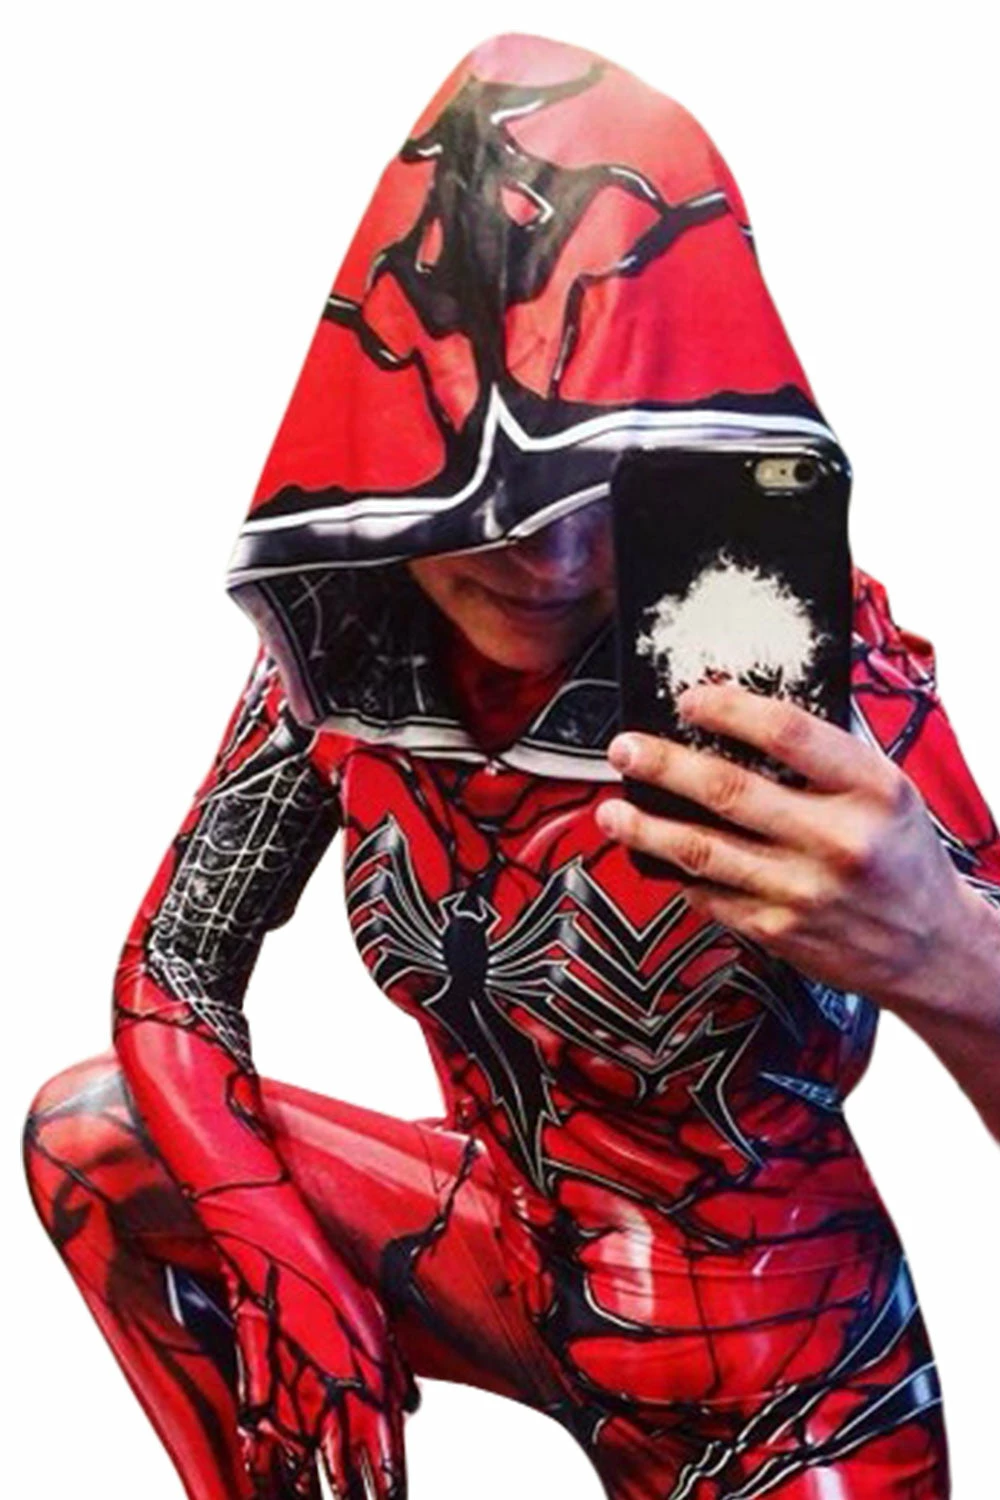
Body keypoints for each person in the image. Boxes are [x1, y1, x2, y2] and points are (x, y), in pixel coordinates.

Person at [22, 31, 1000, 1500]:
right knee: (95, 1139)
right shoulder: (351, 657)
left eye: (594, 478)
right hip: (497, 1246)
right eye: (479, 503)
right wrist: (277, 1250)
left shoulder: (812, 678)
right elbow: (173, 969)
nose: (541, 553)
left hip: (784, 1372)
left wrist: (948, 950)